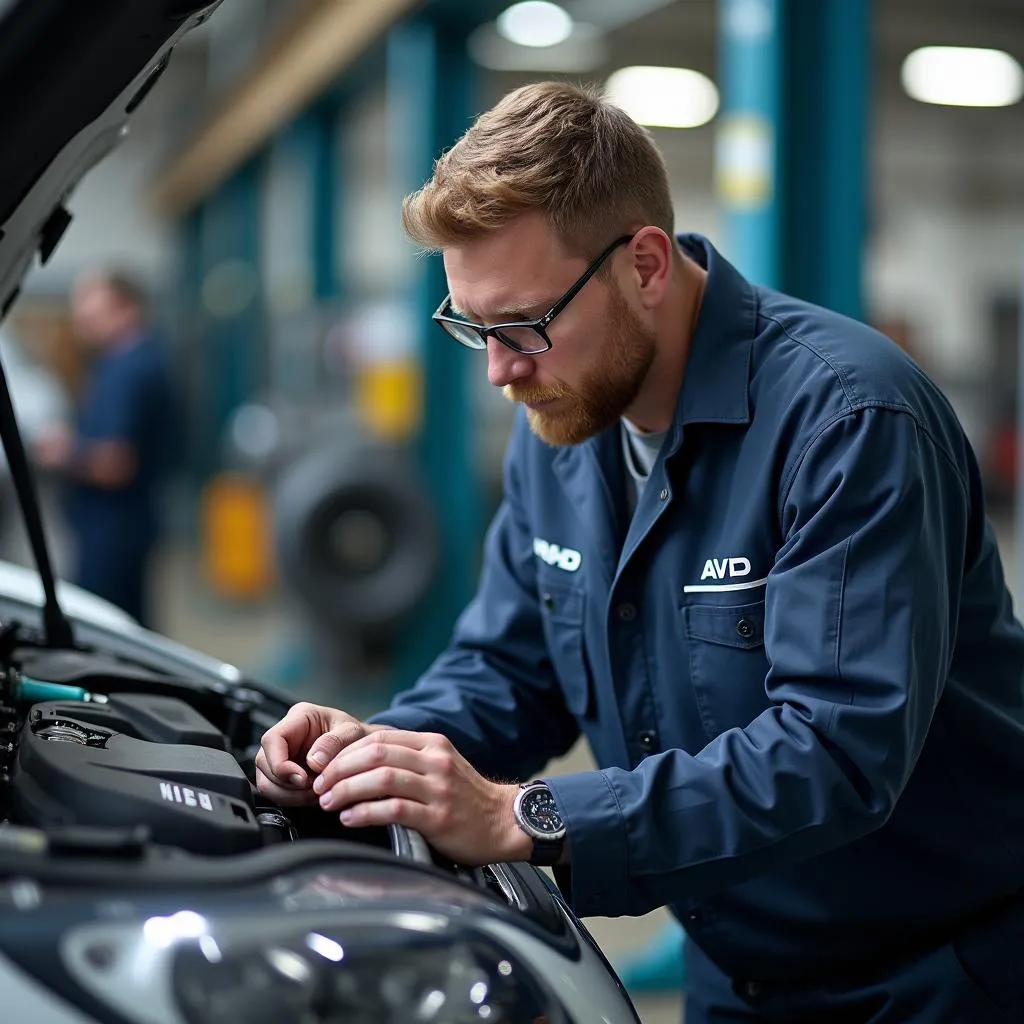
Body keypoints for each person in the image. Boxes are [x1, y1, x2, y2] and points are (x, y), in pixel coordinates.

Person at [255, 82, 1024, 1023]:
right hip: (738, 971)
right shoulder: (563, 426)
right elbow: (507, 668)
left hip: (933, 977)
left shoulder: (848, 420)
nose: (499, 371)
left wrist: (526, 818)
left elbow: (837, 749)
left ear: (647, 265)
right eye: (472, 328)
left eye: (524, 324)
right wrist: (377, 759)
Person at [36, 269, 175, 627]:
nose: (79, 315)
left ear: (125, 307)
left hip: (113, 532)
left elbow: (115, 464)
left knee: (107, 628)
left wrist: (64, 451)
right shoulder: (125, 364)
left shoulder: (130, 370)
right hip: (119, 527)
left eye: (89, 304)